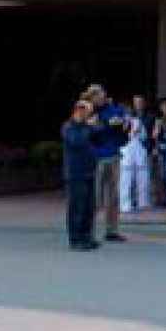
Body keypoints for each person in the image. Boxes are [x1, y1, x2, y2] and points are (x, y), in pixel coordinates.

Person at [86, 85, 130, 243]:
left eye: (103, 94)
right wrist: (106, 124)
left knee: (113, 196)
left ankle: (112, 230)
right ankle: (88, 231)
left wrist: (123, 121)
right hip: (97, 157)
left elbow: (124, 120)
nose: (102, 97)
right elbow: (88, 131)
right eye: (98, 95)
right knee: (95, 196)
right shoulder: (89, 111)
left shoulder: (113, 108)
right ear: (92, 97)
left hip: (114, 155)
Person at [60, 100, 100, 254]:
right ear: (78, 111)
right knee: (77, 207)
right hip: (75, 173)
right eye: (86, 112)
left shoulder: (86, 127)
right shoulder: (68, 127)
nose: (88, 115)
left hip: (89, 171)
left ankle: (86, 236)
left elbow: (99, 133)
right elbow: (78, 141)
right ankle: (75, 238)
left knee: (88, 207)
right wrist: (89, 127)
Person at [118, 102, 152, 214]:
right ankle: (125, 204)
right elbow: (118, 137)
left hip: (138, 152)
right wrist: (126, 127)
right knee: (125, 181)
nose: (128, 113)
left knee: (143, 179)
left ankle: (143, 202)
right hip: (126, 153)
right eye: (126, 112)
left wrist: (138, 132)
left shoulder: (138, 122)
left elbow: (144, 136)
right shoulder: (119, 122)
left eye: (129, 112)